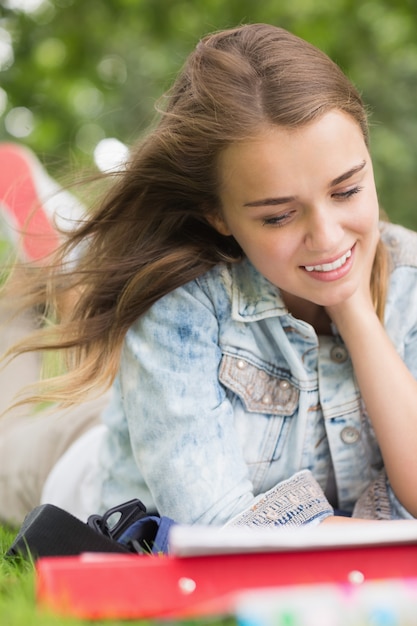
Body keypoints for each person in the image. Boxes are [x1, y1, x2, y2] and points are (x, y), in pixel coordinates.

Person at [1, 23, 417, 531]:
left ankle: (62, 265)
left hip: (160, 408)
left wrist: (352, 307)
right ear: (217, 215)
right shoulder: (182, 306)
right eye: (278, 216)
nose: (328, 238)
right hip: (92, 469)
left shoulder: (407, 274)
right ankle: (24, 293)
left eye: (346, 191)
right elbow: (219, 521)